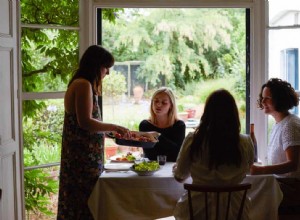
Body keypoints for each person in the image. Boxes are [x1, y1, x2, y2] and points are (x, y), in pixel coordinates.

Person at [57, 45, 131, 219]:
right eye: (106, 67)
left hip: (83, 154)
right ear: (96, 65)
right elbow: (85, 122)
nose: (107, 73)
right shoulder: (83, 84)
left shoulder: (84, 83)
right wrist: (114, 127)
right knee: (85, 202)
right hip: (82, 157)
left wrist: (109, 133)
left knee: (82, 201)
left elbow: (85, 124)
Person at [173, 89, 254, 220]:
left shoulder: (193, 140)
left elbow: (179, 176)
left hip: (197, 212)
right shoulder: (245, 142)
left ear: (207, 113)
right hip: (234, 212)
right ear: (233, 114)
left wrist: (178, 169)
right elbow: (247, 170)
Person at [250, 78, 300, 214]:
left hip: (292, 189)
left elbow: (292, 165)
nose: (262, 102)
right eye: (262, 98)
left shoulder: (291, 125)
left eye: (267, 98)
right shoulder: (280, 124)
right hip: (283, 185)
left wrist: (261, 170)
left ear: (279, 99)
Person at [139, 87, 186, 162]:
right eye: (156, 101)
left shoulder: (179, 125)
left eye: (164, 102)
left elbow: (178, 153)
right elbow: (149, 154)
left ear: (171, 105)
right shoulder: (145, 125)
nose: (158, 105)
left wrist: (158, 136)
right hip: (151, 167)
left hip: (172, 167)